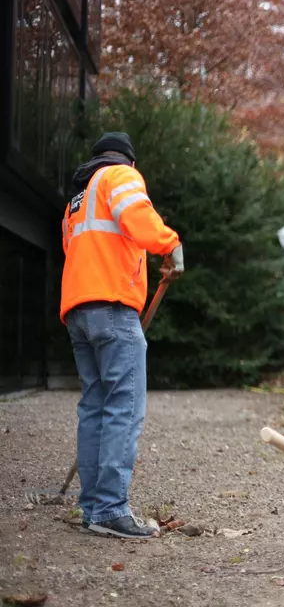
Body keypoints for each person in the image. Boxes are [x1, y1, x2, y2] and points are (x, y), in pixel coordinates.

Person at [60, 132, 185, 539]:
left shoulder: (75, 204)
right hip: (113, 309)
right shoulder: (119, 176)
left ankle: (93, 508)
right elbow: (139, 219)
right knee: (123, 409)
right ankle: (110, 509)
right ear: (128, 161)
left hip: (80, 312)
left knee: (95, 408)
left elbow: (85, 250)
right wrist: (170, 245)